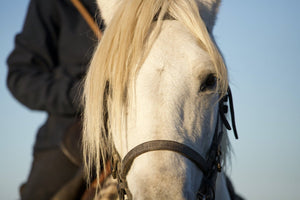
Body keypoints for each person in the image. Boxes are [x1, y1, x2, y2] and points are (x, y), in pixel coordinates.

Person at [6, 0, 103, 199]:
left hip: (146, 127)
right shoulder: (54, 3)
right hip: (72, 136)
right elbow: (21, 76)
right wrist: (87, 96)